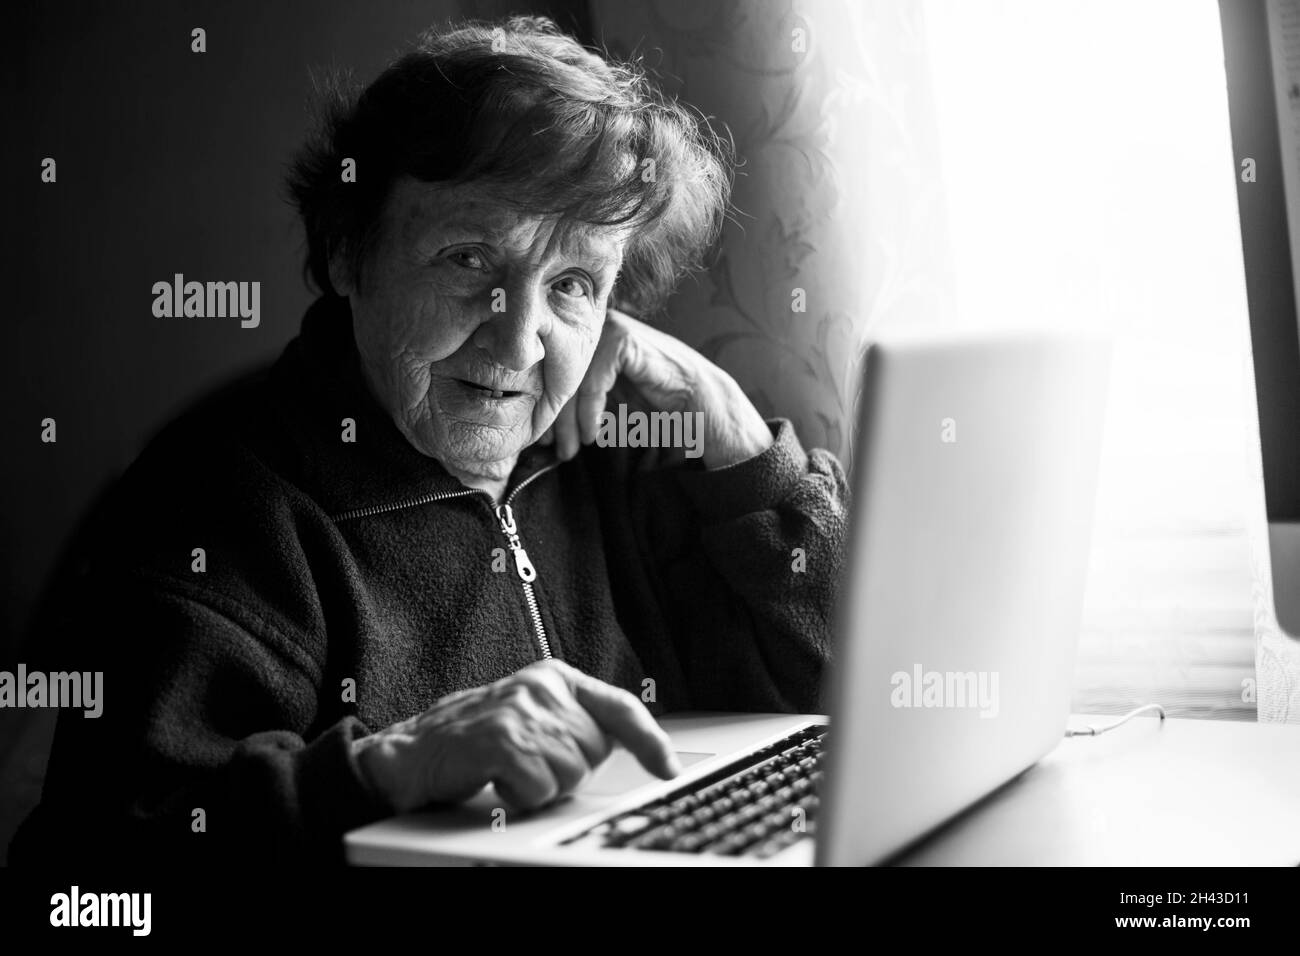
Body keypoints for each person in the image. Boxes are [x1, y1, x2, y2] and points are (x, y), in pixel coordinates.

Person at [11, 15, 847, 865]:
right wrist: (386, 770)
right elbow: (93, 872)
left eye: (573, 285)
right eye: (469, 260)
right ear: (349, 252)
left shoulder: (633, 450)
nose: (519, 342)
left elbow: (850, 704)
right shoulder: (222, 498)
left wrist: (743, 446)